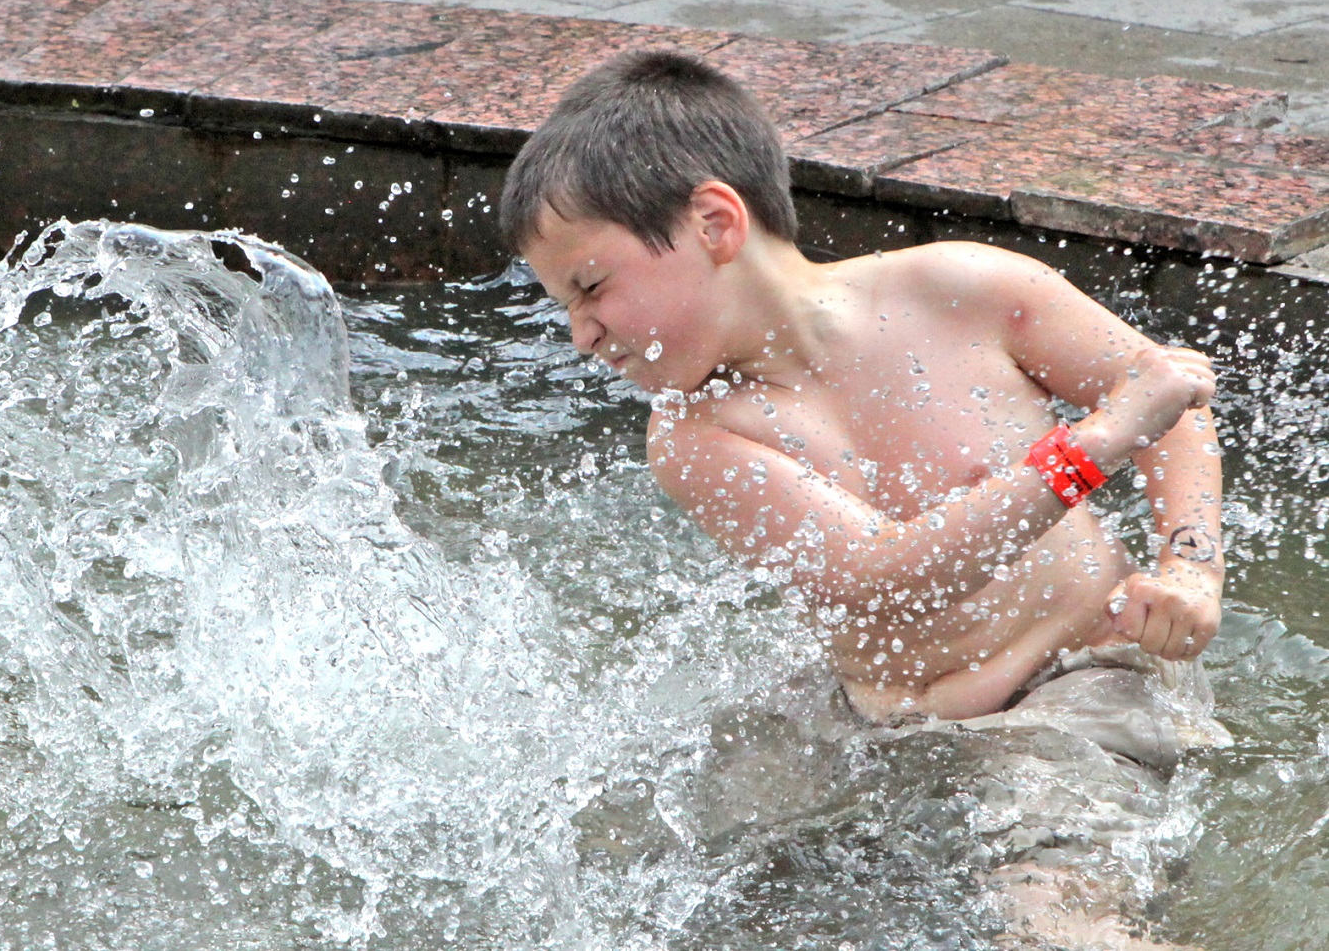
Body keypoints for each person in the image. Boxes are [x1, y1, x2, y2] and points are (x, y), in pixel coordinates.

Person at [499, 49, 1227, 946]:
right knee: (603, 862)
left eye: (590, 288)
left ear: (714, 223)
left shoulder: (963, 290)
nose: (581, 337)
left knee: (1053, 918)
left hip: (1078, 676)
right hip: (871, 721)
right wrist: (1096, 444)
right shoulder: (695, 437)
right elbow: (882, 580)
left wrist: (1189, 566)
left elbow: (1169, 405)